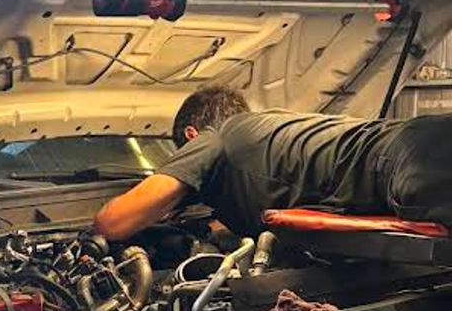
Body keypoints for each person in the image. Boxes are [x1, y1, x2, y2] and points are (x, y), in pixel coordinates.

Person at [94, 85, 452, 239]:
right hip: (420, 143)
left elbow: (114, 222)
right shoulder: (270, 132)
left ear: (191, 136)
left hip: (413, 163)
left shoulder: (216, 135)